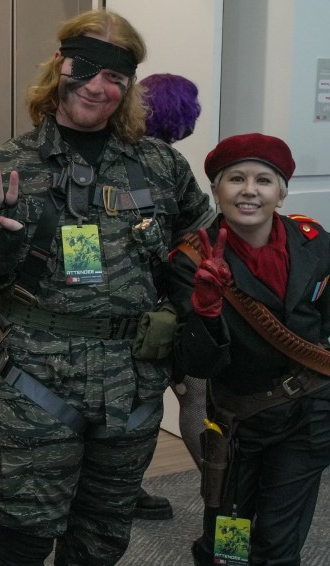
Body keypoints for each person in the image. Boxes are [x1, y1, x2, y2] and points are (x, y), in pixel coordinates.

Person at [0, 10, 214, 566]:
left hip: (131, 390)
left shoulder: (158, 165)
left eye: (115, 76)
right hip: (33, 386)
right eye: (84, 68)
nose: (97, 86)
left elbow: (201, 243)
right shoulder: (9, 166)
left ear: (129, 86)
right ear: (58, 66)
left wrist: (191, 316)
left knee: (99, 545)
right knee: (25, 540)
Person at [167, 133, 330, 566]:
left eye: (264, 180)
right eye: (236, 179)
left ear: (281, 192)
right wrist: (207, 313)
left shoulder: (316, 241)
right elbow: (198, 364)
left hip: (308, 414)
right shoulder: (190, 260)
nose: (249, 190)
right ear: (216, 191)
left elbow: (323, 320)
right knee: (228, 544)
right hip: (240, 424)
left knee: (278, 547)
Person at [131, 72, 205, 522]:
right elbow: (200, 233)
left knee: (138, 405)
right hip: (168, 304)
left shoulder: (146, 163)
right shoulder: (170, 166)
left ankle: (127, 488)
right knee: (193, 395)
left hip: (139, 304)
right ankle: (221, 492)